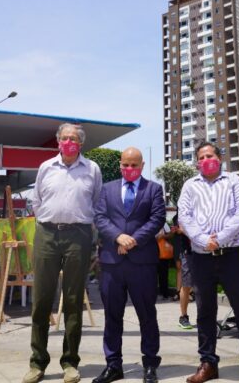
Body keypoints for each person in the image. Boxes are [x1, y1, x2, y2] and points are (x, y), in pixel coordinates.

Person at [178, 141, 239, 383]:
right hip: (201, 257)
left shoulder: (233, 181)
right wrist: (204, 240)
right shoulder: (189, 186)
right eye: (201, 157)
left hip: (232, 256)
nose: (206, 160)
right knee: (205, 311)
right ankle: (208, 363)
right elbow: (184, 216)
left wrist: (221, 238)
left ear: (220, 158)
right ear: (197, 162)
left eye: (210, 155)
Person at [23, 123, 103, 383]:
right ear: (58, 142)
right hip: (47, 233)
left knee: (73, 299)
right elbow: (36, 200)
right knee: (42, 299)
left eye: (74, 138)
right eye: (64, 138)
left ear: (81, 143)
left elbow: (97, 202)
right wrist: (47, 222)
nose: (69, 142)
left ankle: (70, 362)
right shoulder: (46, 167)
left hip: (78, 235)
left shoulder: (92, 169)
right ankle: (37, 363)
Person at [92, 147, 166, 383]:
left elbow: (157, 218)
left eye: (134, 165)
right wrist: (118, 237)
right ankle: (113, 365)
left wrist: (133, 240)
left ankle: (150, 365)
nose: (129, 169)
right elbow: (100, 217)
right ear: (120, 165)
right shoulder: (107, 189)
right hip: (112, 262)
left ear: (142, 166)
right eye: (125, 165)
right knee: (112, 315)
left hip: (142, 262)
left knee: (147, 315)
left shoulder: (153, 189)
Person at [172, 213, 194, 330]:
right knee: (186, 285)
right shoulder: (181, 214)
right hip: (188, 252)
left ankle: (206, 317)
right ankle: (183, 316)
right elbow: (180, 230)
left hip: (204, 251)